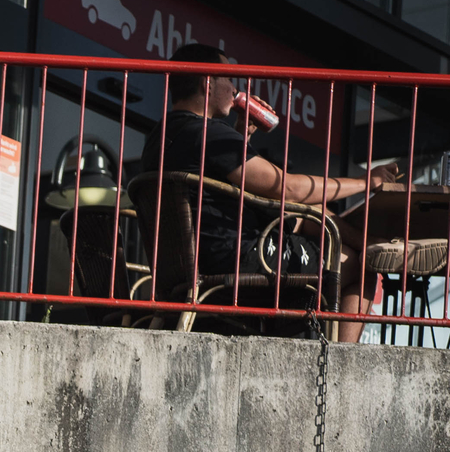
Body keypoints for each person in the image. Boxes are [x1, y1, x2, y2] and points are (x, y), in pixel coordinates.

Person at [158, 44, 402, 341]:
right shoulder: (208, 134)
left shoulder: (162, 135)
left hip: (188, 267)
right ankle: (340, 365)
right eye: (230, 78)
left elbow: (216, 190)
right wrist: (367, 181)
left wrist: (239, 136)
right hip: (237, 261)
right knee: (359, 266)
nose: (236, 88)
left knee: (303, 222)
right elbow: (288, 187)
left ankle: (378, 244)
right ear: (206, 82)